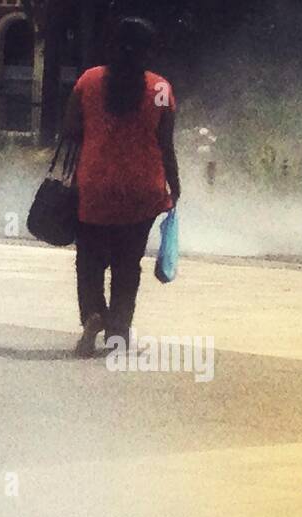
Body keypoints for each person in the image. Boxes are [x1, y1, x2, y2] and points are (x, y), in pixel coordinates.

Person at [63, 16, 181, 357]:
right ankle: (119, 333)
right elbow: (165, 143)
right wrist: (175, 184)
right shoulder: (160, 90)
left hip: (95, 185)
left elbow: (71, 129)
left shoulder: (90, 81)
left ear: (112, 45)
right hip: (143, 189)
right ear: (147, 50)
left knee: (89, 258)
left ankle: (93, 314)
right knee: (128, 264)